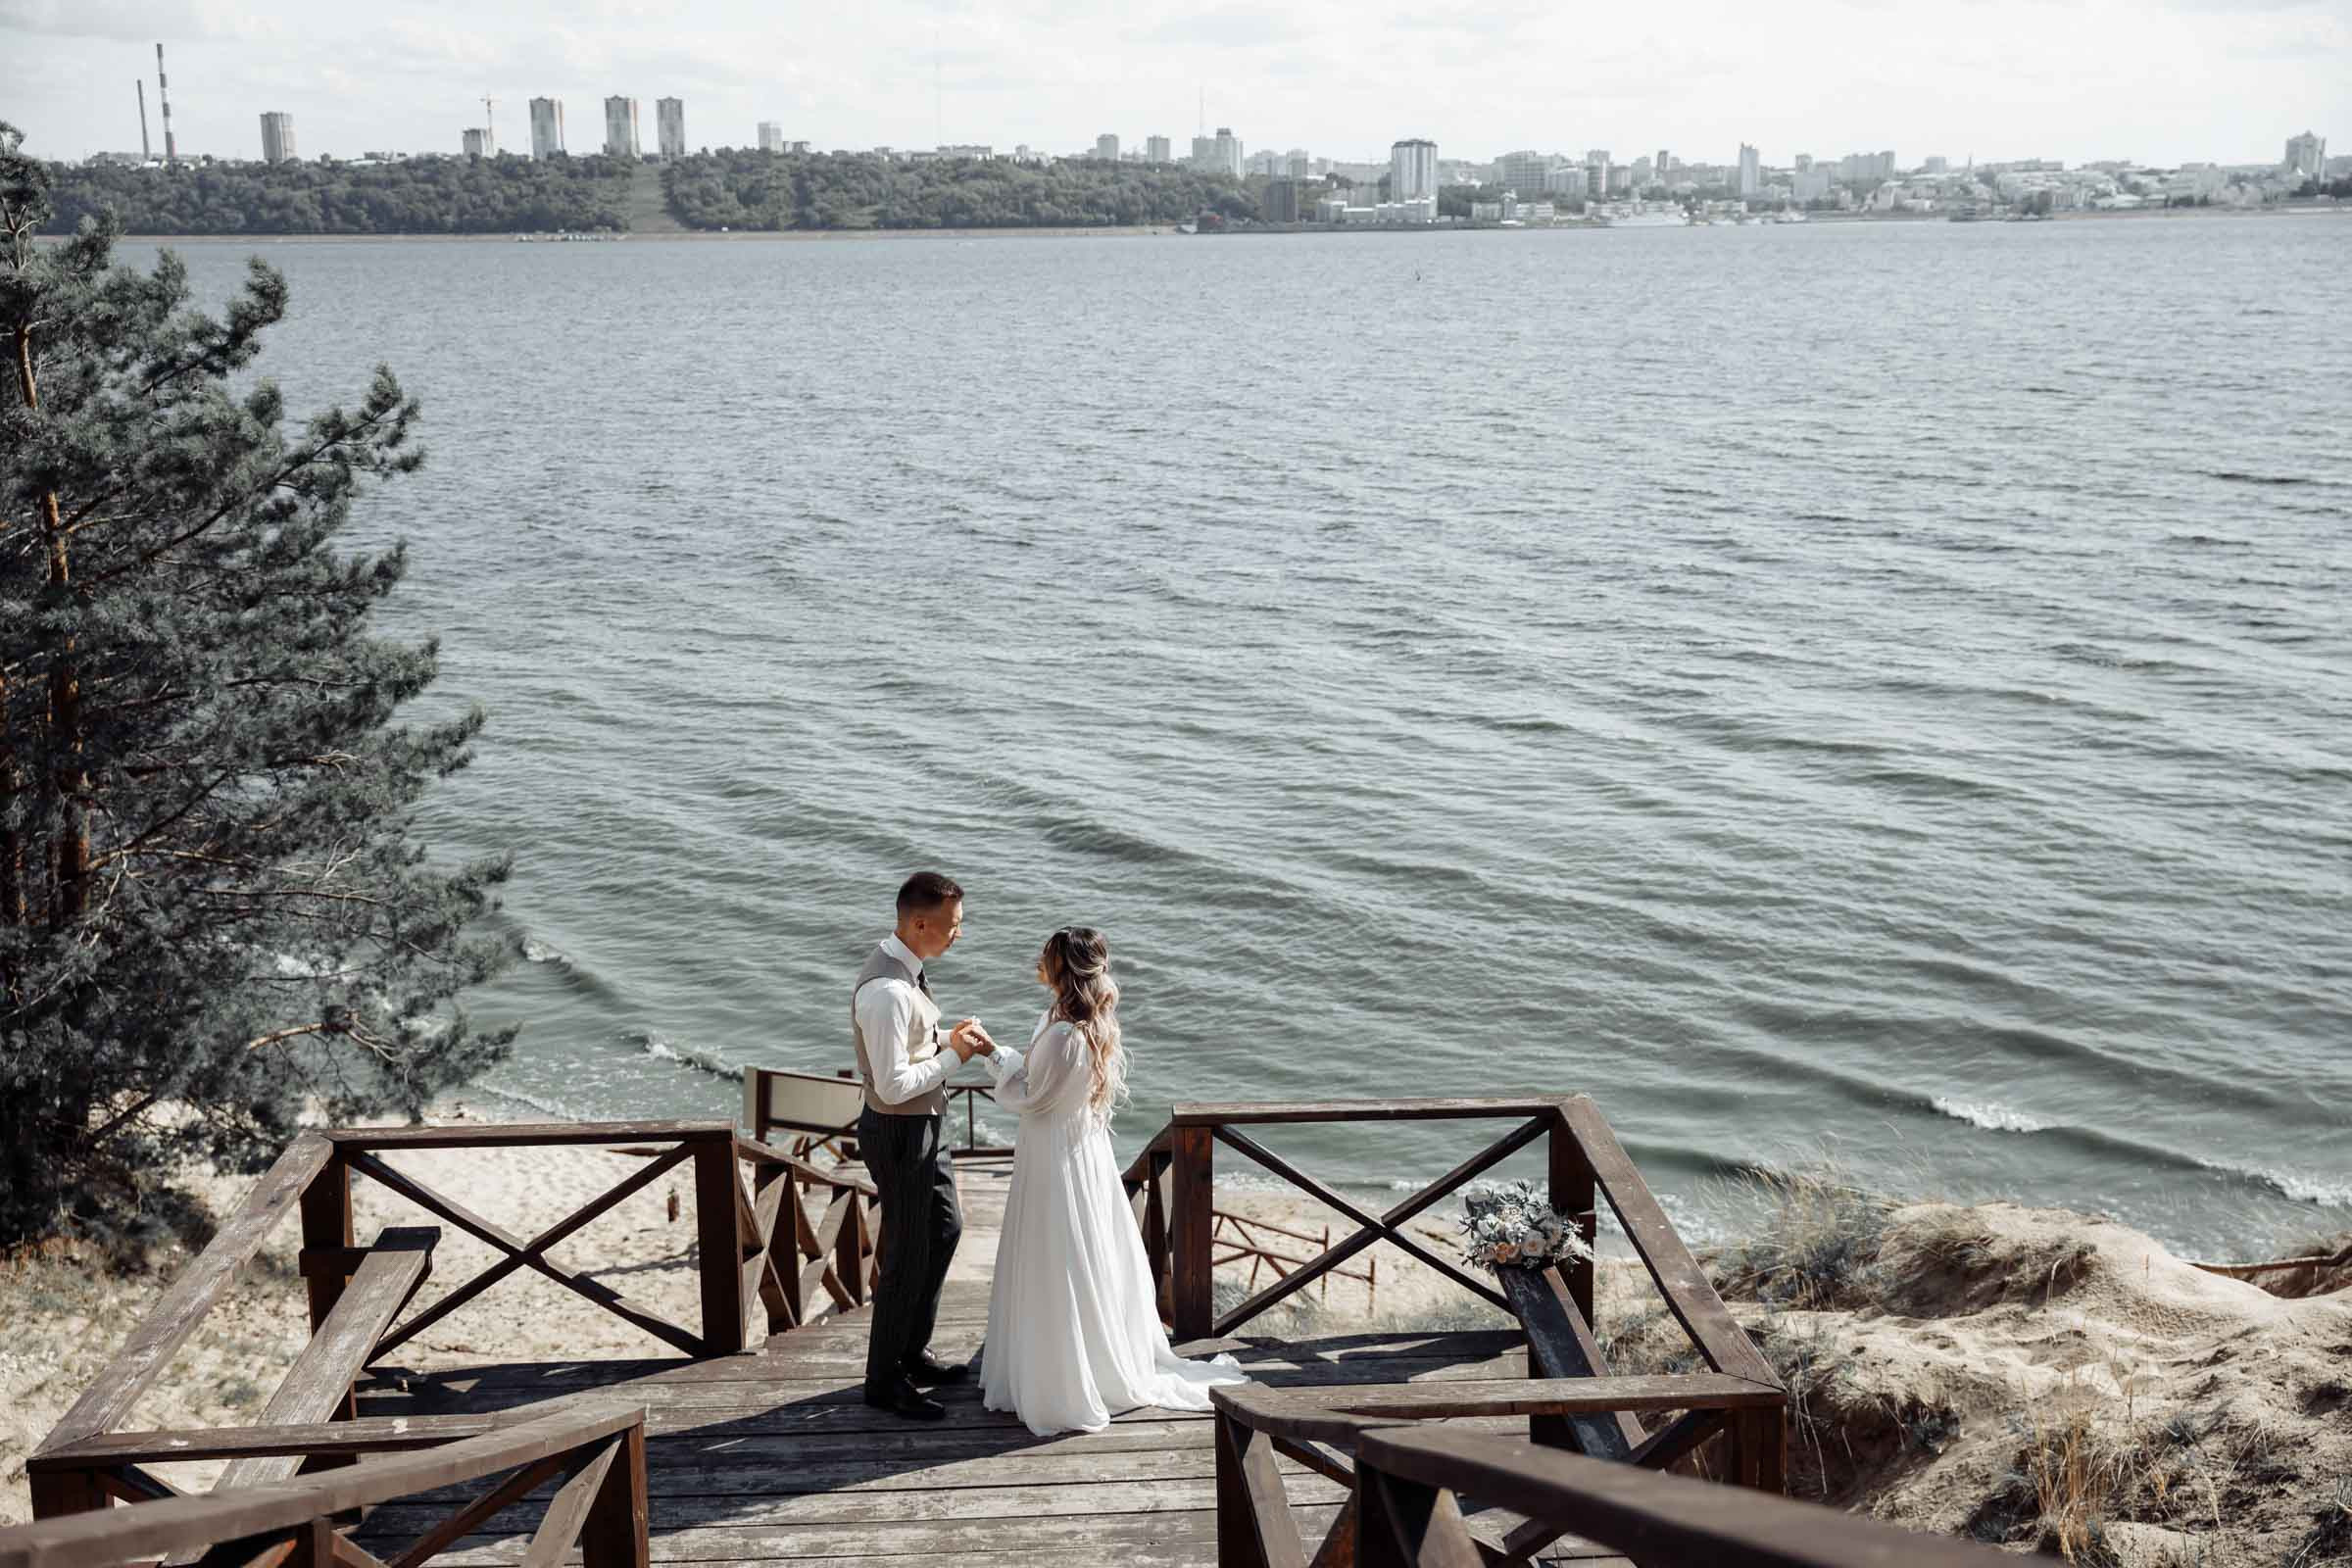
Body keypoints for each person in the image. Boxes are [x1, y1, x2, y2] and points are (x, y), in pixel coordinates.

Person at [977, 925, 1247, 1435]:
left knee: (1057, 1254)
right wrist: (1002, 1053)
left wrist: (996, 1057)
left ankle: (1063, 1377)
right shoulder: (1072, 1024)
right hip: (1075, 1151)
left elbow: (1031, 1098)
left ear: (1062, 968)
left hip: (1056, 1158)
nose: (1037, 959)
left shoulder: (1062, 1033)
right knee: (1074, 1254)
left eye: (1046, 954)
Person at [852, 871, 996, 1421]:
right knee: (907, 1257)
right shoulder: (886, 992)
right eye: (952, 926)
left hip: (923, 1126)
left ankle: (911, 1351)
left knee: (946, 1229)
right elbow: (890, 1086)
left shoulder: (907, 973)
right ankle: (883, 1379)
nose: (959, 934)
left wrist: (944, 1039)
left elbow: (910, 1051)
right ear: (918, 924)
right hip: (898, 1131)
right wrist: (955, 1057)